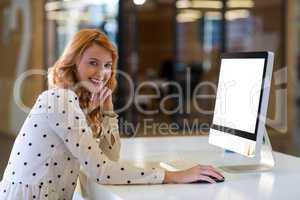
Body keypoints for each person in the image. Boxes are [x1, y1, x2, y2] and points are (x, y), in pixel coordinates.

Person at [0, 29, 224, 199]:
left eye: (107, 65)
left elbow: (110, 158)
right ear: (72, 63)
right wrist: (175, 176)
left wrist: (108, 113)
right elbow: (102, 171)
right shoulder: (60, 100)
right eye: (93, 63)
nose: (102, 72)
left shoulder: (74, 103)